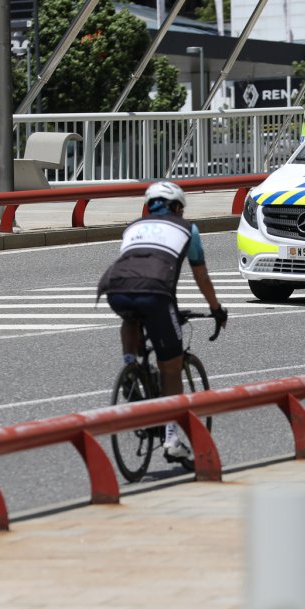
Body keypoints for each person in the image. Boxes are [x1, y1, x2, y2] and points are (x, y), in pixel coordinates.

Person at [98, 181, 228, 463]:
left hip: (115, 289)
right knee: (170, 367)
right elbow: (201, 276)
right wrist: (216, 309)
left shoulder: (133, 227)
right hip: (155, 294)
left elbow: (136, 266)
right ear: (178, 207)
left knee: (131, 314)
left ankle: (130, 366)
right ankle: (172, 439)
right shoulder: (187, 229)